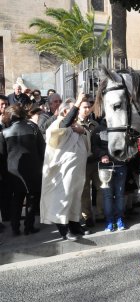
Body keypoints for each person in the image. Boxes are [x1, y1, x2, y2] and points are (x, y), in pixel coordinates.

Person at [40, 93, 91, 241]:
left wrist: (83, 131)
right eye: (72, 111)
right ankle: (64, 229)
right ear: (64, 112)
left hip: (76, 172)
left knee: (75, 198)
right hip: (61, 173)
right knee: (63, 197)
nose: (75, 114)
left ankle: (75, 224)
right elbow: (65, 124)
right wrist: (78, 103)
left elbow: (86, 140)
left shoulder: (76, 126)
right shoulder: (58, 124)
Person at [0, 104, 45, 235]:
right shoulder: (33, 128)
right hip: (33, 168)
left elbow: (2, 156)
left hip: (13, 170)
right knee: (32, 198)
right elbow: (42, 150)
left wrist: (4, 173)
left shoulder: (4, 133)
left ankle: (15, 228)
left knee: (16, 199)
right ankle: (29, 227)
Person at [92, 118, 128, 232]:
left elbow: (130, 143)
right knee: (107, 196)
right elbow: (94, 147)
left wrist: (129, 154)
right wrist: (102, 155)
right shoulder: (98, 130)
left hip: (121, 166)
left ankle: (119, 219)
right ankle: (109, 220)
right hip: (105, 168)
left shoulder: (123, 127)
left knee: (120, 195)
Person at [77, 95, 101, 228]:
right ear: (79, 108)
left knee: (100, 188)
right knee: (84, 191)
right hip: (83, 163)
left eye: (88, 107)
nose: (87, 109)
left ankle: (100, 213)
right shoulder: (75, 124)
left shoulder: (95, 124)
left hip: (95, 161)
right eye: (84, 107)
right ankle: (87, 217)